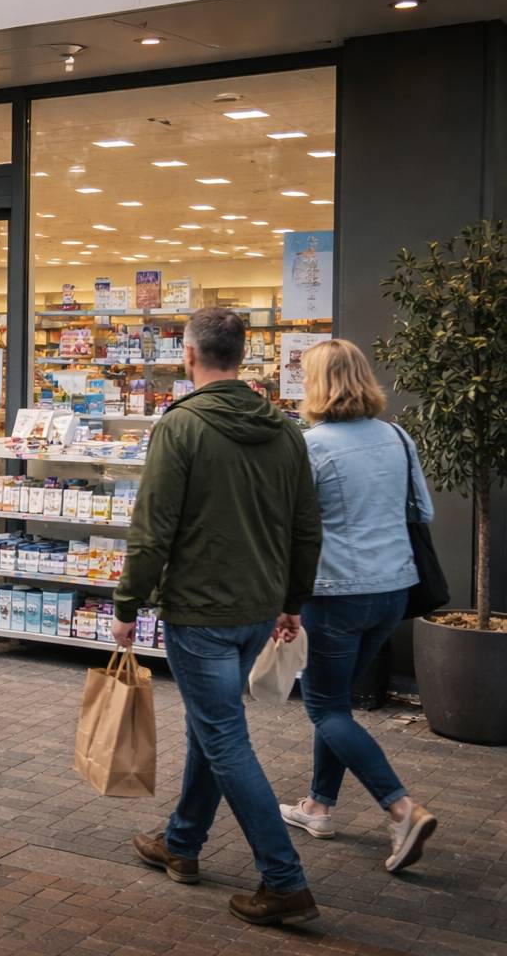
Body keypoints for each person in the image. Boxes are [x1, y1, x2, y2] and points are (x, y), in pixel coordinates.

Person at [113, 307, 323, 926]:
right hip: (258, 607)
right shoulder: (285, 431)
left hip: (200, 612)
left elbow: (152, 531)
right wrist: (292, 601)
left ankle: (284, 879)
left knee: (225, 738)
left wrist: (127, 605)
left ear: (189, 355)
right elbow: (307, 528)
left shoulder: (181, 427)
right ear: (241, 355)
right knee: (215, 726)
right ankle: (181, 842)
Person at [277, 339, 438, 872]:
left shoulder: (310, 446)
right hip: (393, 589)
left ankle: (401, 809)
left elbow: (292, 528)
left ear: (316, 384)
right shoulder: (397, 436)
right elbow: (423, 509)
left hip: (335, 592)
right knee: (337, 703)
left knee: (323, 706)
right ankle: (318, 807)